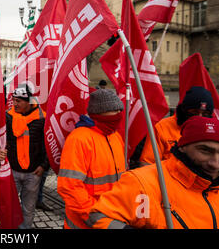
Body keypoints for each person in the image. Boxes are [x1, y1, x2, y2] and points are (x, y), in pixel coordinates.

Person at [89, 116, 219, 229]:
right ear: (183, 147)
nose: (215, 163)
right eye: (205, 151)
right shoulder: (141, 183)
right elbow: (99, 217)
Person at [57, 89, 126, 229]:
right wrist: (95, 217)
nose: (118, 117)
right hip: (86, 222)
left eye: (119, 112)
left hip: (113, 216)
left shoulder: (115, 136)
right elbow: (69, 187)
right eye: (114, 113)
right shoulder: (78, 139)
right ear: (99, 114)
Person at [0, 84, 49, 229]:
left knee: (28, 207)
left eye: (18, 101)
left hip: (33, 172)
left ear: (28, 101)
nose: (15, 104)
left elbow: (47, 144)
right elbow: (0, 139)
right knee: (8, 204)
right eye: (14, 100)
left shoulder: (42, 118)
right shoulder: (8, 116)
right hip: (12, 170)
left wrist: (43, 166)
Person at [139, 86, 214, 166]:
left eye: (205, 114)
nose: (199, 118)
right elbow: (147, 163)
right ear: (184, 110)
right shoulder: (162, 127)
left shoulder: (214, 132)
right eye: (194, 112)